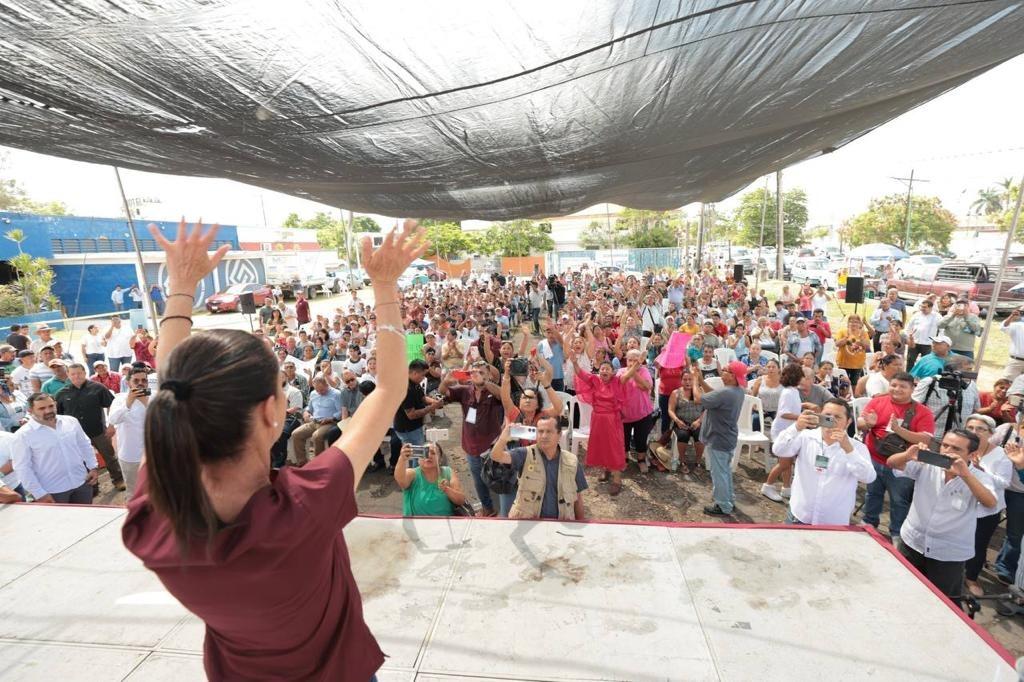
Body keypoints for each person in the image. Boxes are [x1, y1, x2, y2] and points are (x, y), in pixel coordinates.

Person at [122, 218, 427, 680]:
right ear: (271, 413)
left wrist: (181, 287)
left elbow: (174, 388)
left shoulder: (150, 519)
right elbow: (389, 388)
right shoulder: (303, 506)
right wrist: (384, 285)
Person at [888, 431, 996, 602]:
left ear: (972, 454)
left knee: (944, 601)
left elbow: (990, 502)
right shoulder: (928, 464)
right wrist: (908, 455)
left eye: (956, 448)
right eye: (944, 445)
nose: (947, 451)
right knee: (902, 590)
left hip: (948, 554)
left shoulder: (980, 477)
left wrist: (966, 475)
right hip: (912, 542)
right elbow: (892, 463)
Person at [772, 400, 876, 525]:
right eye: (827, 415)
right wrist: (796, 427)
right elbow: (778, 450)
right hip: (799, 516)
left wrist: (849, 450)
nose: (831, 420)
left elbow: (868, 477)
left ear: (848, 422)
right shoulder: (805, 436)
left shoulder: (857, 448)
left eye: (837, 417)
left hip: (833, 522)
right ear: (820, 416)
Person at [858, 372, 936, 538]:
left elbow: (925, 439)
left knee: (899, 501)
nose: (897, 389)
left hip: (903, 466)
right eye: (894, 385)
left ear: (912, 388)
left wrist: (899, 430)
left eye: (903, 386)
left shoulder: (923, 412)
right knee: (872, 494)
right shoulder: (878, 401)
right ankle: (868, 523)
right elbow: (860, 422)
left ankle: (897, 534)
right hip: (874, 459)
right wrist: (867, 424)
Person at [490, 417, 587, 520]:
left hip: (561, 525)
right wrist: (503, 438)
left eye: (549, 431)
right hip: (528, 522)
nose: (544, 436)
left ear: (559, 435)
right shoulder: (524, 454)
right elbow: (496, 456)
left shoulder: (572, 461)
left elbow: (578, 498)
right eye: (540, 431)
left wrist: (581, 523)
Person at [441, 360, 504, 516]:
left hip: (491, 446)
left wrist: (484, 382)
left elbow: (503, 396)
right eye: (475, 372)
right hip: (471, 446)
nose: (477, 375)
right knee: (478, 480)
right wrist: (445, 382)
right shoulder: (464, 391)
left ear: (489, 375)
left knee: (497, 480)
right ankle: (487, 508)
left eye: (482, 372)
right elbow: (443, 391)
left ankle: (502, 510)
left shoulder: (493, 391)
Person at [12, 393, 99, 504]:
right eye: (42, 408)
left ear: (56, 404)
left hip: (82, 482)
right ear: (30, 410)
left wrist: (93, 467)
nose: (48, 411)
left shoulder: (71, 421)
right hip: (52, 491)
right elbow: (22, 468)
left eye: (51, 406)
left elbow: (85, 444)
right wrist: (39, 493)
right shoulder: (23, 435)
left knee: (86, 519)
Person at [962, 415, 1012, 598]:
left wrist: (982, 472)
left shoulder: (1001, 455)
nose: (974, 432)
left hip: (986, 509)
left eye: (980, 429)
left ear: (991, 433)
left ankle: (971, 577)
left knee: (978, 544)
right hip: (962, 504)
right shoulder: (963, 446)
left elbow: (1004, 482)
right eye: (970, 427)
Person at [55, 362, 124, 492]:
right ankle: (92, 487)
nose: (76, 376)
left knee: (109, 457)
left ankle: (118, 479)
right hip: (75, 435)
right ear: (68, 375)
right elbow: (58, 416)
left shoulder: (98, 388)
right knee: (82, 462)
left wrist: (111, 425)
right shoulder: (61, 394)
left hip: (98, 431)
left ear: (85, 373)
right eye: (73, 374)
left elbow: (112, 405)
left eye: (79, 373)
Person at [691, 360, 748, 516]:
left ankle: (723, 505)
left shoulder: (726, 393)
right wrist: (702, 381)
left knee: (719, 474)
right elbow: (713, 396)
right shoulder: (737, 391)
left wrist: (695, 381)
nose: (722, 372)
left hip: (719, 437)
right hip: (727, 436)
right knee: (725, 471)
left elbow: (698, 399)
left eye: (725, 370)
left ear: (732, 376)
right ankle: (729, 499)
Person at [570, 354, 626, 495]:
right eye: (602, 369)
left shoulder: (617, 381)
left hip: (612, 419)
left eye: (607, 369)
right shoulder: (595, 380)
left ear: (613, 372)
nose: (604, 371)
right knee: (602, 445)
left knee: (614, 447)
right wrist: (575, 362)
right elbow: (580, 374)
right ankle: (605, 469)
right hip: (597, 419)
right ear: (599, 371)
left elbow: (629, 374)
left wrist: (638, 362)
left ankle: (617, 479)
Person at [762, 363, 806, 503]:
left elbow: (793, 408)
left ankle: (786, 487)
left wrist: (805, 406)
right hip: (782, 432)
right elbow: (784, 413)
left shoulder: (792, 391)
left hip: (789, 431)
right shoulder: (788, 392)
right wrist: (801, 417)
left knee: (788, 460)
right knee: (784, 463)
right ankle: (768, 486)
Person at [912, 354, 980, 438]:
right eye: (968, 370)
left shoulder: (971, 385)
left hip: (960, 438)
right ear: (952, 370)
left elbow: (976, 410)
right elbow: (912, 406)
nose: (971, 374)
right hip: (932, 436)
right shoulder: (930, 382)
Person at [107, 366, 149, 497]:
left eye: (144, 380)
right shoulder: (119, 399)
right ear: (128, 382)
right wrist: (128, 403)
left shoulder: (154, 398)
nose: (140, 383)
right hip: (130, 456)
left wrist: (147, 404)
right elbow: (113, 419)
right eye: (136, 381)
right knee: (134, 493)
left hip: (153, 455)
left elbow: (164, 423)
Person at [394, 442, 466, 516]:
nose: (429, 456)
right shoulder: (412, 474)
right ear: (418, 459)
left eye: (433, 453)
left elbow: (461, 500)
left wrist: (447, 489)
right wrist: (402, 458)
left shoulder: (448, 472)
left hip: (444, 524)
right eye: (425, 452)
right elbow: (401, 480)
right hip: (419, 525)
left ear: (440, 459)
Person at [289, 375, 342, 465]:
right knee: (296, 434)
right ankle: (302, 463)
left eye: (321, 390)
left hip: (330, 422)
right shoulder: (313, 393)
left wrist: (331, 418)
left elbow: (341, 411)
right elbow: (309, 408)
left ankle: (318, 463)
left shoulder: (336, 394)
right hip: (314, 421)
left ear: (326, 385)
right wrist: (306, 412)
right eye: (317, 390)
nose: (319, 392)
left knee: (316, 436)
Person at [619, 349, 655, 473]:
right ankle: (624, 459)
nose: (633, 363)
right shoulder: (620, 371)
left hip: (642, 411)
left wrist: (633, 371)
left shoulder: (644, 371)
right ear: (626, 360)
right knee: (624, 438)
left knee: (641, 438)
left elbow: (647, 386)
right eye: (630, 360)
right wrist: (635, 371)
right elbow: (622, 381)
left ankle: (641, 460)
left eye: (636, 360)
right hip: (624, 413)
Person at [834, 315, 872, 387]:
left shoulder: (863, 333)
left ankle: (854, 397)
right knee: (843, 384)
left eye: (856, 322)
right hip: (843, 363)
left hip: (858, 364)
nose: (853, 324)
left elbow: (867, 346)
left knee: (854, 384)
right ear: (848, 323)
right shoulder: (842, 331)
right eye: (851, 322)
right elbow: (837, 344)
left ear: (860, 324)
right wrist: (846, 338)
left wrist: (861, 340)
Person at [906, 299, 941, 369]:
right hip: (914, 342)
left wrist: (938, 341)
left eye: (924, 307)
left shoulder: (937, 316)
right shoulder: (917, 315)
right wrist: (909, 338)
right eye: (921, 307)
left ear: (931, 308)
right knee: (910, 360)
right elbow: (909, 327)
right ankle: (908, 375)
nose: (922, 309)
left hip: (928, 344)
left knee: (925, 362)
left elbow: (942, 330)